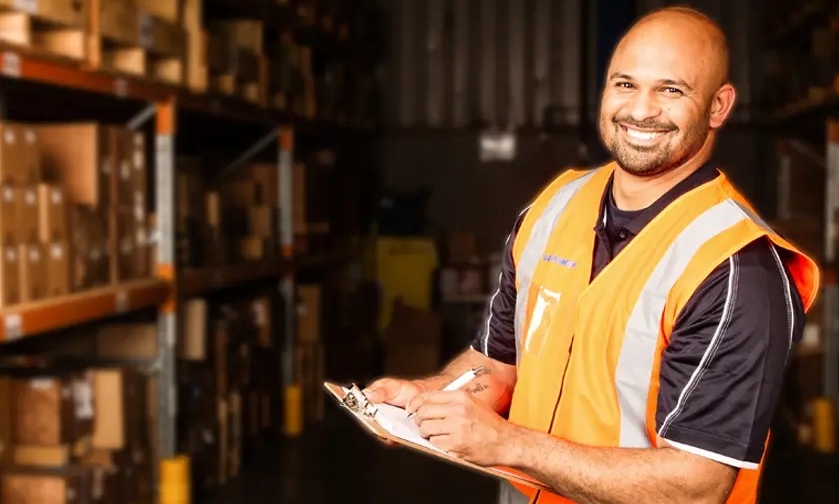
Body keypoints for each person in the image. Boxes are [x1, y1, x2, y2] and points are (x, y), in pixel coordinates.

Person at [363, 6, 820, 504]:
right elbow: (498, 363)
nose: (640, 110)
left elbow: (698, 485)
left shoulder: (735, 269)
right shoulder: (553, 209)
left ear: (718, 106)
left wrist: (507, 443)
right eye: (624, 84)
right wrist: (431, 400)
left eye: (671, 89)